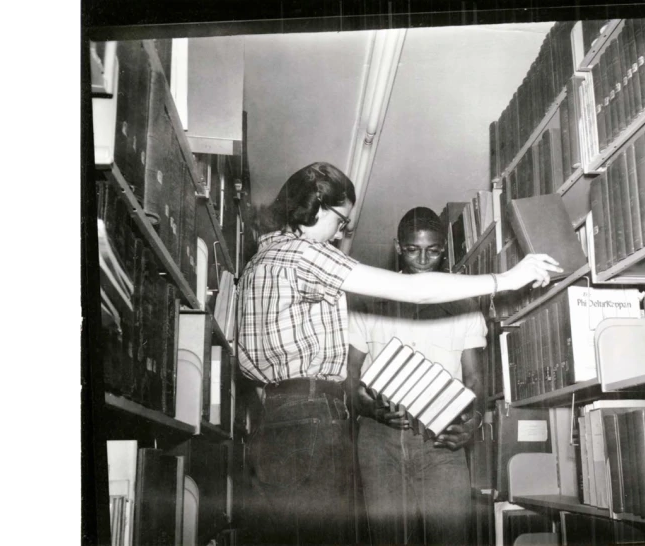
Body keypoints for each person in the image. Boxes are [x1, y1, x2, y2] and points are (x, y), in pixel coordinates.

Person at [235, 162, 561, 545]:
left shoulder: (261, 258)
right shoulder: (305, 254)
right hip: (311, 419)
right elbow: (418, 291)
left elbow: (252, 371)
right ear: (317, 208)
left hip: (275, 420)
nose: (341, 234)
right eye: (342, 221)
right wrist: (506, 279)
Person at [347, 206, 487, 546]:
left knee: (451, 538)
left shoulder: (465, 305)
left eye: (433, 250)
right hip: (380, 440)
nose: (423, 259)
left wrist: (474, 420)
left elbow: (474, 379)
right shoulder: (369, 301)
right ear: (398, 246)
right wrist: (367, 408)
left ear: (444, 249)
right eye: (412, 249)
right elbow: (348, 375)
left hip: (441, 442)